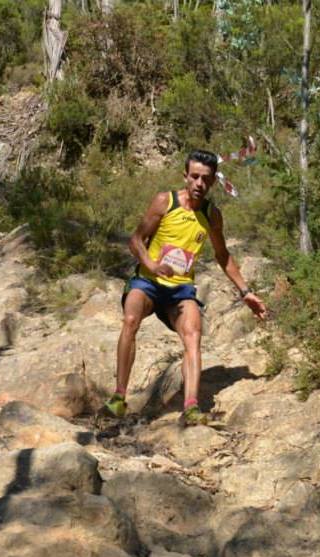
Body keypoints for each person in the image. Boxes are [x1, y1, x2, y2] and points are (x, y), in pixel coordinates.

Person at [104, 149, 268, 426]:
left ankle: (190, 407)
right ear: (185, 176)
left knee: (193, 334)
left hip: (180, 290)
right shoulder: (164, 202)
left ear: (213, 180)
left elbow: (223, 255)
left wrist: (245, 292)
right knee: (131, 318)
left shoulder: (211, 215)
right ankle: (119, 398)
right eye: (194, 177)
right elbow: (136, 240)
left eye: (205, 178)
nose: (199, 184)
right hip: (149, 282)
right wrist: (152, 265)